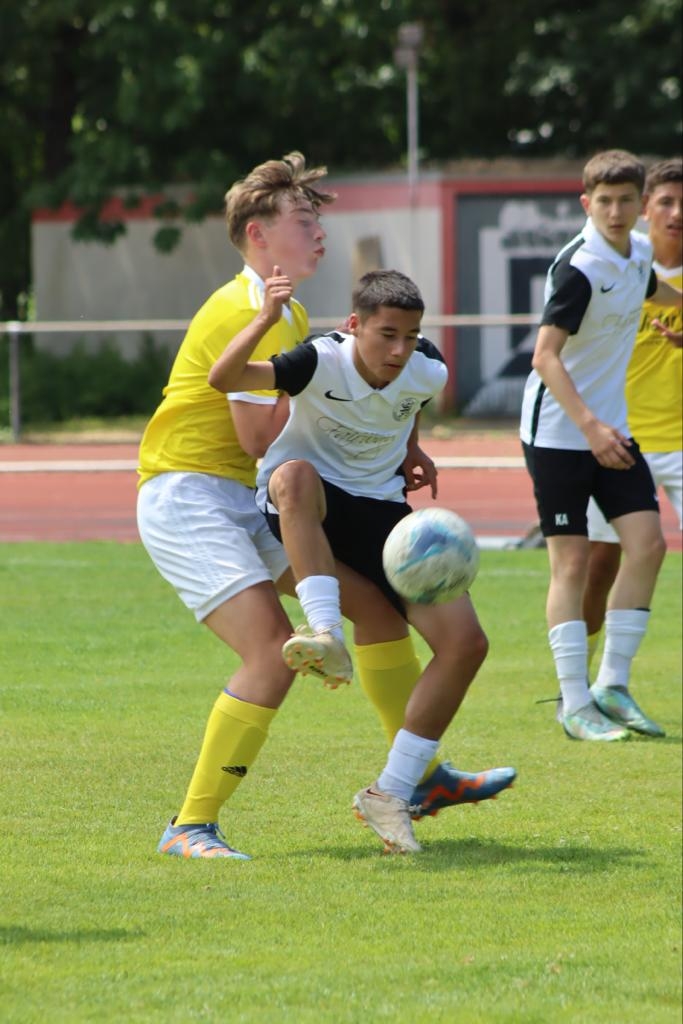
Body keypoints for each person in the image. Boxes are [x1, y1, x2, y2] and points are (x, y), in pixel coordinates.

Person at [137, 153, 515, 860]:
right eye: (303, 220)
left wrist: (388, 430)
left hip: (246, 493)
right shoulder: (248, 310)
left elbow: (369, 395)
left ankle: (418, 778)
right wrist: (344, 411)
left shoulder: (293, 312)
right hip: (192, 493)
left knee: (378, 613)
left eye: (318, 221)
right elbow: (258, 440)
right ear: (258, 234)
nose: (319, 233)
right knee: (270, 651)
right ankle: (189, 825)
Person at [208, 268, 513, 855]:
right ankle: (324, 631)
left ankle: (390, 792)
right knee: (293, 475)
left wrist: (413, 446)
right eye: (386, 334)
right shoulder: (316, 360)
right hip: (307, 504)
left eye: (410, 336)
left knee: (466, 644)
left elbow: (411, 400)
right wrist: (266, 318)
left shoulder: (428, 368)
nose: (399, 349)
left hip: (383, 517)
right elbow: (223, 377)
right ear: (354, 325)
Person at [520, 149, 682, 742]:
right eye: (604, 201)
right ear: (587, 204)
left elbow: (656, 289)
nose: (615, 212)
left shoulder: (637, 252)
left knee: (648, 545)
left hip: (612, 430)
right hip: (560, 434)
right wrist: (590, 427)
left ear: (640, 205)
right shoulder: (580, 267)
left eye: (625, 201)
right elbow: (545, 357)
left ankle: (612, 684)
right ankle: (573, 703)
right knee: (572, 564)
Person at [582, 158, 682, 728]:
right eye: (666, 201)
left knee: (644, 553)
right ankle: (581, 687)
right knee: (600, 563)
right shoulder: (619, 266)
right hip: (623, 440)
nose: (677, 213)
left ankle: (611, 682)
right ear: (647, 208)